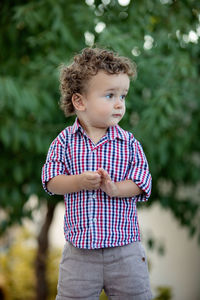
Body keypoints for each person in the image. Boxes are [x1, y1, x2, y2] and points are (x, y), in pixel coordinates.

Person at [42, 47, 152, 300]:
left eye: (123, 96)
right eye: (110, 95)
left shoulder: (128, 142)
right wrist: (78, 181)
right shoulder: (64, 142)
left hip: (125, 250)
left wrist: (115, 189)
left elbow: (142, 181)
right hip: (80, 254)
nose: (119, 104)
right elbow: (51, 181)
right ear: (80, 101)